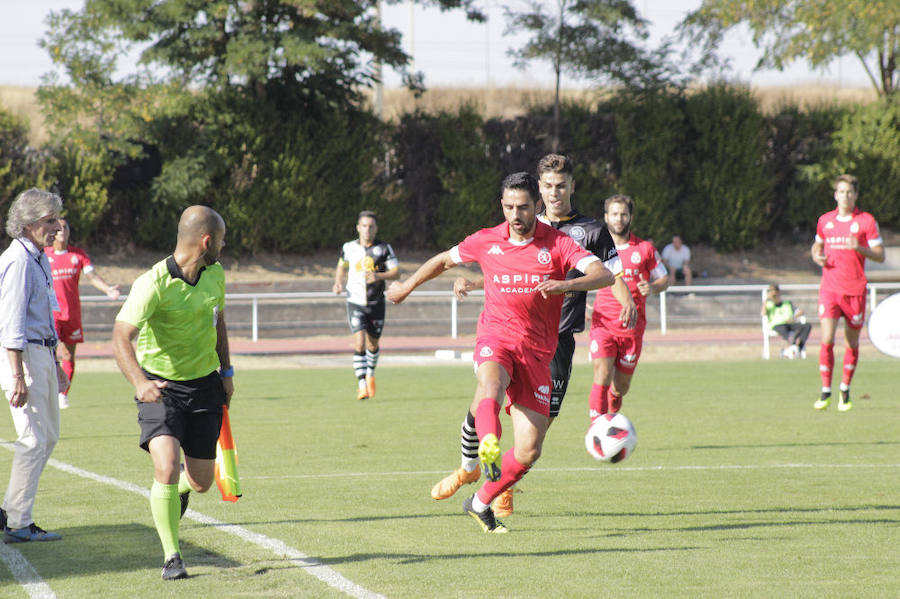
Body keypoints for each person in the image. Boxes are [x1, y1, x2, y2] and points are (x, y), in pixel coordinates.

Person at [387, 172, 616, 533]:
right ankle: (488, 443)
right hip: (496, 336)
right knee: (490, 382)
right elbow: (444, 260)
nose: (515, 215)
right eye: (509, 207)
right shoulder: (487, 240)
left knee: (529, 450)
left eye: (523, 207)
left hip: (538, 352)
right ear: (502, 206)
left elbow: (604, 275)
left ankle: (479, 502)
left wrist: (565, 284)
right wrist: (405, 288)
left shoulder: (557, 243)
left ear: (536, 207)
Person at [430, 154, 636, 518]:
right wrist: (474, 281)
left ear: (572, 186)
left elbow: (612, 274)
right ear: (539, 191)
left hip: (557, 340)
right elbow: (503, 267)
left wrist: (626, 302)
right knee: (486, 395)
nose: (555, 192)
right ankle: (470, 468)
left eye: (561, 185)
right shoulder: (522, 218)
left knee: (538, 426)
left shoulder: (589, 230)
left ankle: (500, 483)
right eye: (548, 186)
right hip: (509, 333)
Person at [112, 205, 233, 580]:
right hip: (161, 389)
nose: (225, 246)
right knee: (165, 466)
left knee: (200, 482)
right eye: (223, 240)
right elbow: (120, 336)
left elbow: (219, 322)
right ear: (207, 240)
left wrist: (226, 372)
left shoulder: (215, 275)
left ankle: (180, 488)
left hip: (205, 386)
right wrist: (140, 383)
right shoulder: (152, 283)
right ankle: (172, 557)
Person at [0, 188, 68, 542]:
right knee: (32, 438)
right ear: (27, 224)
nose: (58, 227)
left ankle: (11, 511)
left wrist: (54, 362)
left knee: (48, 437)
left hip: (40, 353)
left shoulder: (38, 257)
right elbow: (10, 321)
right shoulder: (19, 261)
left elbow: (44, 316)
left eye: (56, 219)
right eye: (50, 220)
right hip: (22, 355)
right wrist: (16, 374)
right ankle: (18, 522)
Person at [588, 194, 669, 419]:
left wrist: (652, 288)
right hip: (603, 322)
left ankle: (615, 396)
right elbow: (578, 276)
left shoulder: (645, 248)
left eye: (623, 214)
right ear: (606, 217)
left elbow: (664, 279)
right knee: (601, 373)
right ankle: (598, 427)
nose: (619, 218)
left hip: (632, 327)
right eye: (614, 214)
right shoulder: (596, 248)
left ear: (630, 217)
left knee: (621, 386)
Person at [811, 174, 884, 412]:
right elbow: (817, 244)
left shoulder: (866, 221)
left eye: (849, 192)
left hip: (854, 290)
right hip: (830, 288)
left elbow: (880, 255)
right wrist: (815, 255)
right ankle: (825, 391)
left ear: (856, 195)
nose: (845, 196)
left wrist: (860, 248)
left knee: (851, 343)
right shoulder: (825, 220)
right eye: (841, 192)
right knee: (827, 339)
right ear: (835, 195)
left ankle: (845, 389)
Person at [45, 219, 121, 409]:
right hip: (51, 314)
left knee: (69, 356)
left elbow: (92, 276)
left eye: (66, 227)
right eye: (59, 227)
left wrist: (108, 290)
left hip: (72, 315)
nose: (62, 230)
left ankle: (63, 394)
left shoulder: (78, 255)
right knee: (49, 356)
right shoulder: (44, 255)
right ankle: (47, 392)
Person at [333, 211, 399, 400]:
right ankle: (361, 384)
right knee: (359, 342)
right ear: (358, 228)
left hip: (376, 302)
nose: (367, 230)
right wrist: (338, 282)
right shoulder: (348, 247)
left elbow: (396, 272)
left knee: (373, 343)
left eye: (371, 226)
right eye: (364, 226)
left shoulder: (384, 248)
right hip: (355, 301)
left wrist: (379, 276)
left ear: (376, 229)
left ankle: (370, 374)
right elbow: (341, 265)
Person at [761, 283, 811, 360]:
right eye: (772, 292)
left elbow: (800, 312)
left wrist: (793, 317)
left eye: (776, 292)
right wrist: (766, 300)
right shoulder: (768, 304)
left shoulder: (787, 303)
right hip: (777, 325)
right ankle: (792, 349)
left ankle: (797, 349)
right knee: (788, 334)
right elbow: (763, 313)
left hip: (790, 324)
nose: (775, 295)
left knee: (807, 326)